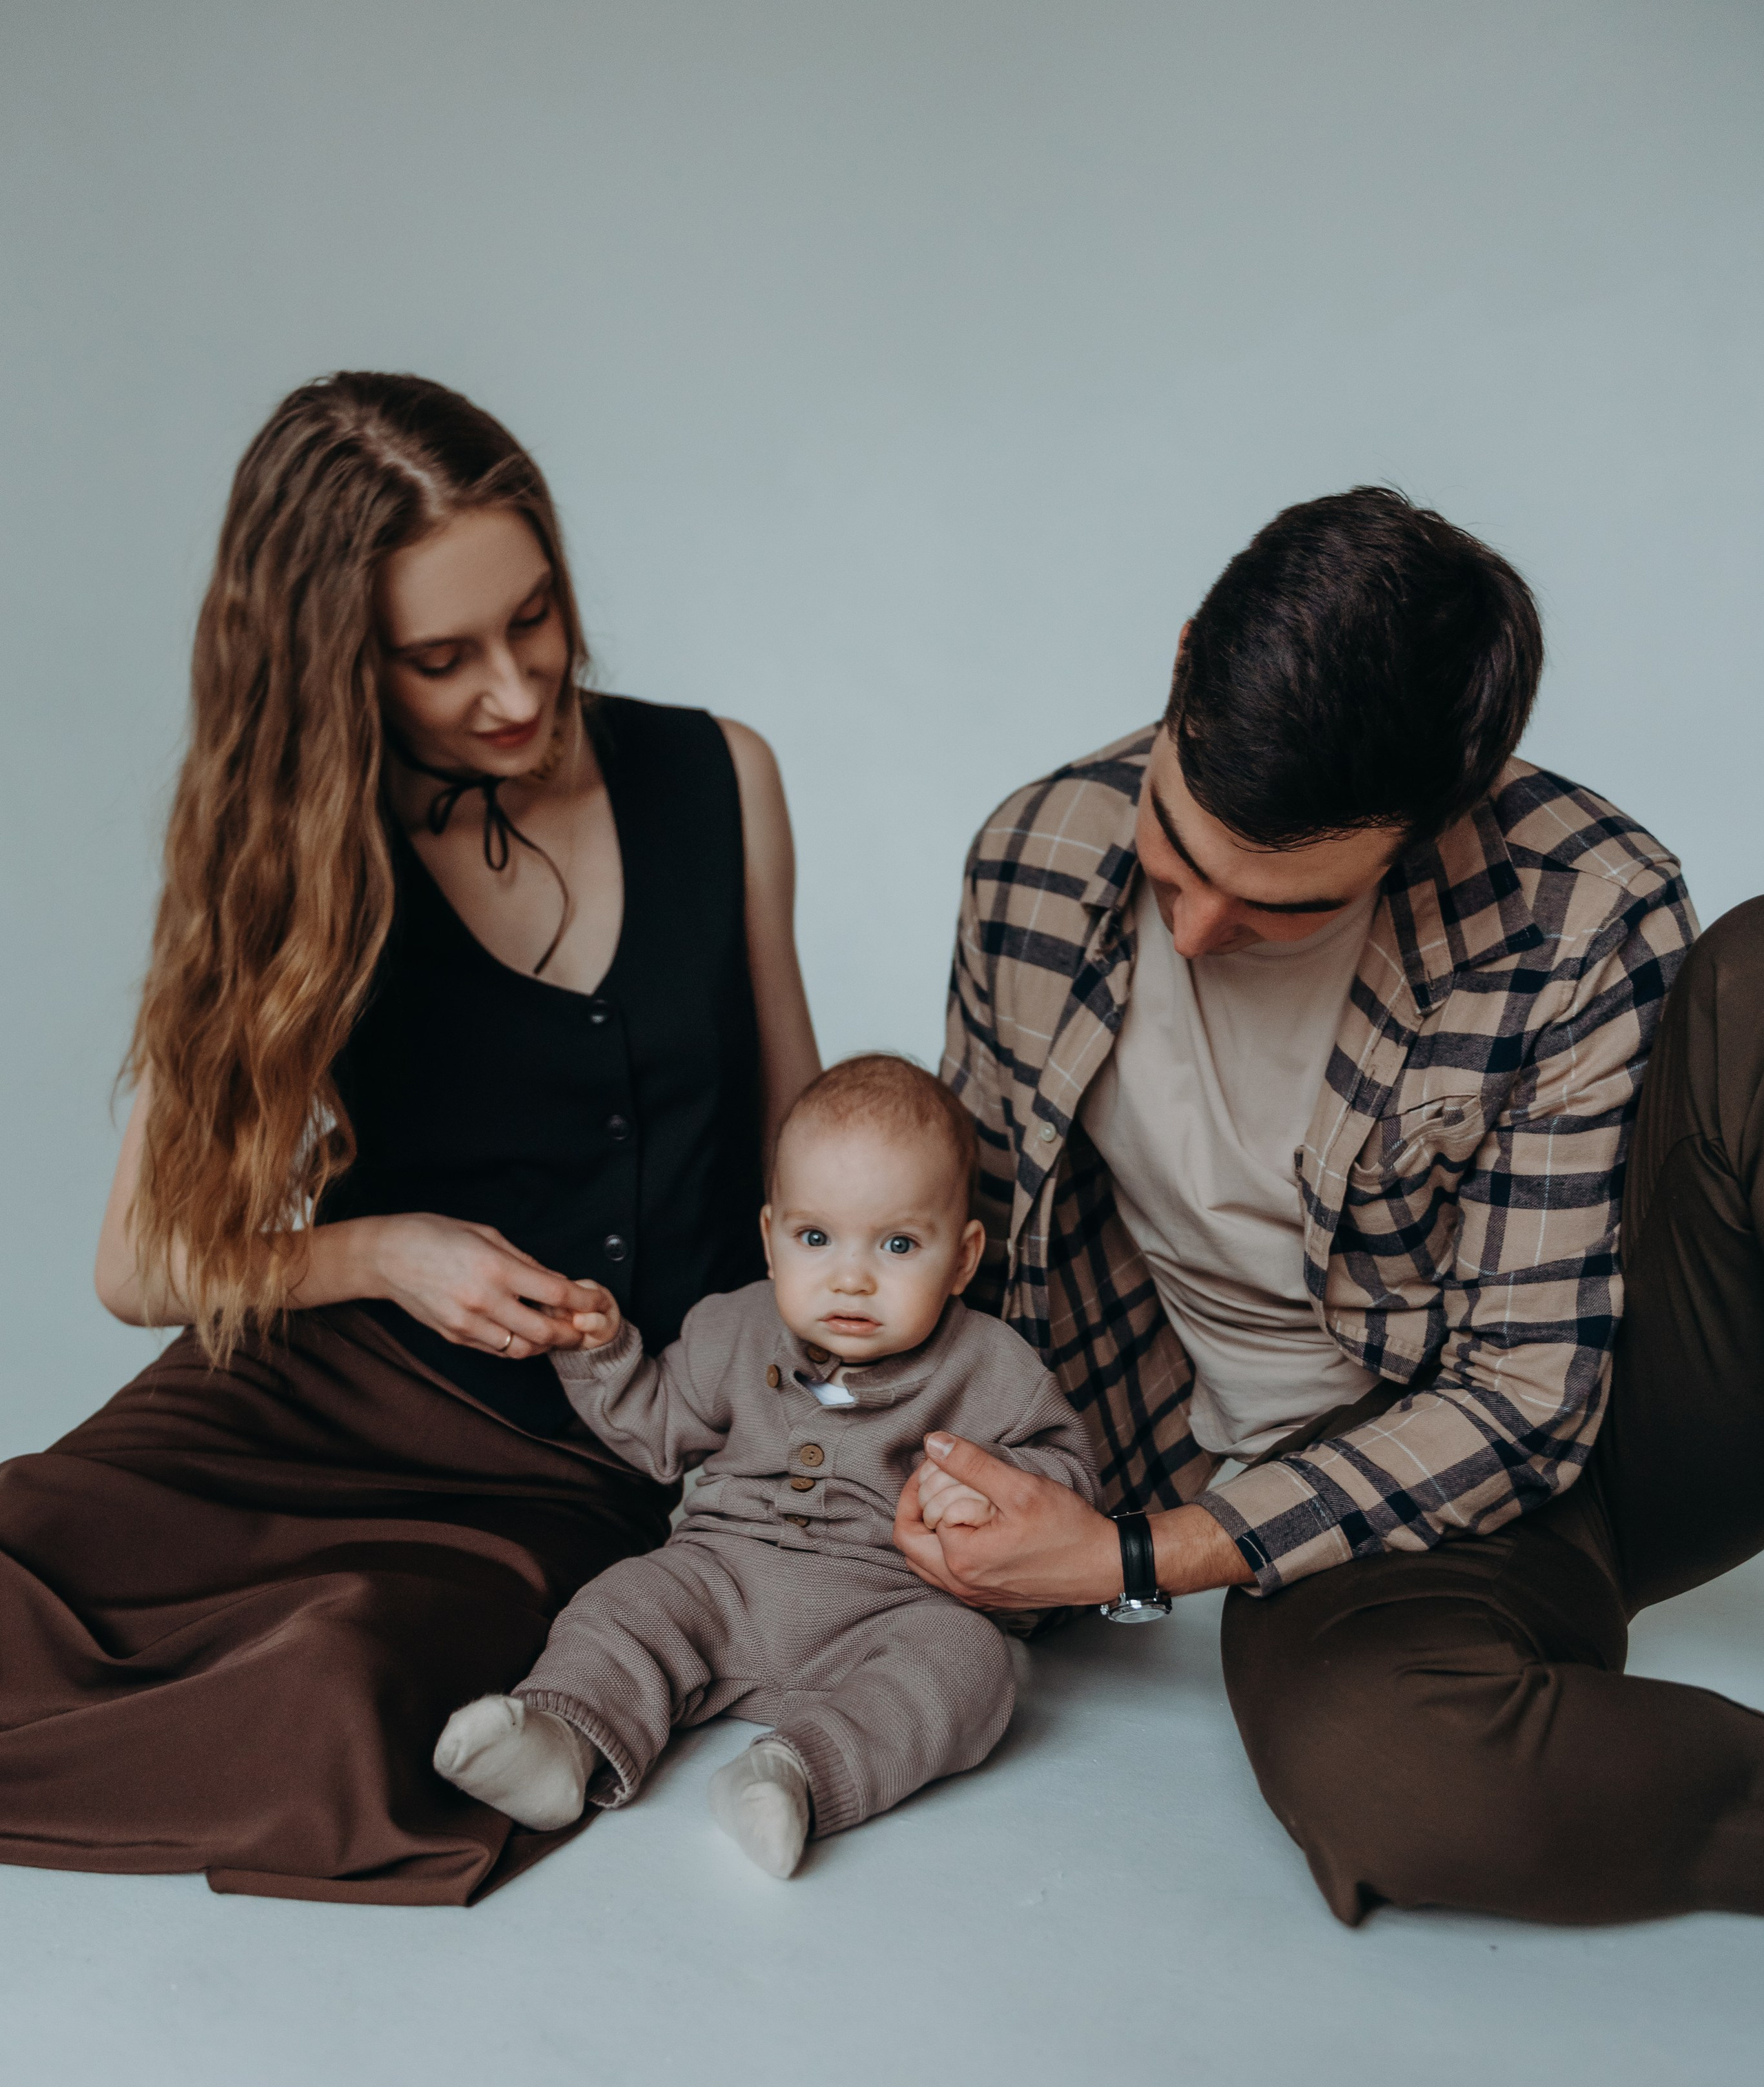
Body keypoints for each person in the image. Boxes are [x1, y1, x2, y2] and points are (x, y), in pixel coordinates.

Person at [0, 371, 819, 1906]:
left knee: (341, 1687)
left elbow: (804, 1157)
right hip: (313, 1391)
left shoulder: (724, 777)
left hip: (579, 1450)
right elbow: (141, 1264)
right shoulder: (294, 845)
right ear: (335, 669)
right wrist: (388, 1248)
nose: (513, 689)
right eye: (440, 660)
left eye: (534, 618)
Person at [902, 486, 1764, 1927]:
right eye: (1179, 854)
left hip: (1605, 1414)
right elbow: (978, 1246)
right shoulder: (1033, 863)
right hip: (1309, 1489)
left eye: (1277, 911)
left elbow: (1521, 1398)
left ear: (1432, 825)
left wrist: (1126, 1562)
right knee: (1398, 1783)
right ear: (1181, 663)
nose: (1194, 929)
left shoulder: (1580, 904)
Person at [433, 1055, 1101, 1877]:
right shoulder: (730, 1328)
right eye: (815, 1237)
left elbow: (1070, 1477)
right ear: (771, 1238)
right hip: (722, 1580)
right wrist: (603, 1353)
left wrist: (992, 1482)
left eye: (897, 1243)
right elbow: (657, 1433)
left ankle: (794, 1777)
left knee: (973, 1666)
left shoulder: (991, 1364)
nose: (850, 1277)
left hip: (892, 1604)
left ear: (962, 1259)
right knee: (627, 1599)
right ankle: (560, 1737)